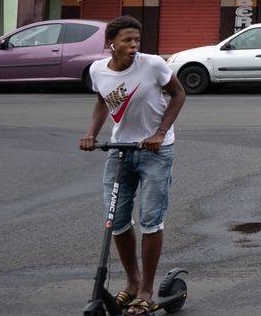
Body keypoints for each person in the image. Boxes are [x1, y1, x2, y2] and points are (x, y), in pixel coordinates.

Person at [80, 16, 186, 316]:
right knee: (117, 219)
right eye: (127, 40)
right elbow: (103, 101)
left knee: (152, 219)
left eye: (136, 40)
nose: (133, 45)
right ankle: (131, 282)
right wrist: (91, 134)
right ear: (110, 44)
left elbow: (178, 94)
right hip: (120, 150)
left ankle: (146, 290)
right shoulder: (97, 69)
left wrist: (160, 133)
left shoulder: (152, 64)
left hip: (156, 151)